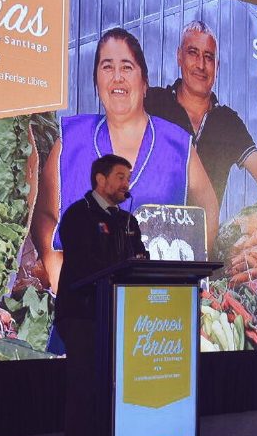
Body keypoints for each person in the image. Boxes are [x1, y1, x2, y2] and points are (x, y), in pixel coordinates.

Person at [31, 27, 219, 294]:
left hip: (158, 304)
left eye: (127, 67)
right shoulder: (71, 140)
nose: (117, 77)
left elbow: (208, 207)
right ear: (97, 81)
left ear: (144, 82)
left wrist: (190, 269)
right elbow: (45, 214)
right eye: (107, 67)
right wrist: (56, 268)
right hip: (84, 301)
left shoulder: (178, 145)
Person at [56, 154, 147, 436]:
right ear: (100, 179)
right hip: (83, 315)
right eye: (120, 177)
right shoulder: (78, 215)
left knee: (112, 393)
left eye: (128, 178)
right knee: (84, 391)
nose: (126, 184)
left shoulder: (127, 220)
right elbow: (84, 264)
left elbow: (140, 258)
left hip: (118, 315)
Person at [145, 20, 257, 206]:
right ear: (179, 56)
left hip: (208, 225)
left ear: (217, 66)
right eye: (193, 53)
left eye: (209, 57)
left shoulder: (227, 122)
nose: (201, 65)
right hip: (147, 224)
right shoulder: (153, 102)